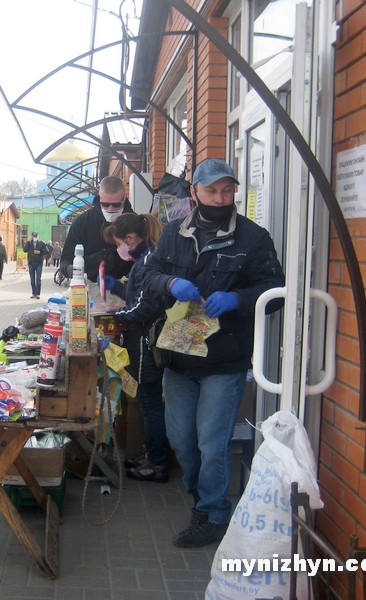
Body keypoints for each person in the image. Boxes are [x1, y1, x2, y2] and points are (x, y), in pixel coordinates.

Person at [142, 158, 284, 548]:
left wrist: (238, 298)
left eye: (227, 190)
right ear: (195, 193)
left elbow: (275, 292)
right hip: (178, 354)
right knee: (182, 440)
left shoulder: (254, 238)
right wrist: (170, 282)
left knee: (212, 441)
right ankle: (198, 495)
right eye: (211, 191)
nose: (220, 198)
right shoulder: (173, 233)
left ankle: (213, 511)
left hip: (225, 359)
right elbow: (145, 275)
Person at [102, 213, 169, 483]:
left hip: (145, 344)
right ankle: (152, 456)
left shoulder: (148, 261)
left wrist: (115, 318)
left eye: (121, 242)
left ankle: (157, 463)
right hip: (141, 341)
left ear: (130, 239)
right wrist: (117, 288)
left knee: (150, 405)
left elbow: (145, 307)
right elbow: (137, 297)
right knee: (146, 403)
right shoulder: (145, 260)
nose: (121, 249)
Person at [59, 175, 135, 282]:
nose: (110, 209)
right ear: (99, 198)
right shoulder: (82, 222)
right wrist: (71, 270)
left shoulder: (136, 224)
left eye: (116, 205)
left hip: (126, 289)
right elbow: (65, 261)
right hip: (89, 286)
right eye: (105, 204)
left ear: (125, 197)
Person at [23, 231, 49, 299]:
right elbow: (25, 250)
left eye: (36, 236)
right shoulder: (29, 244)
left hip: (38, 263)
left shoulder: (41, 243)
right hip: (31, 263)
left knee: (38, 279)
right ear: (31, 236)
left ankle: (37, 294)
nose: (35, 237)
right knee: (32, 279)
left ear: (38, 237)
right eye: (34, 236)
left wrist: (40, 252)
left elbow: (47, 251)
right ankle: (33, 293)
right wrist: (28, 242)